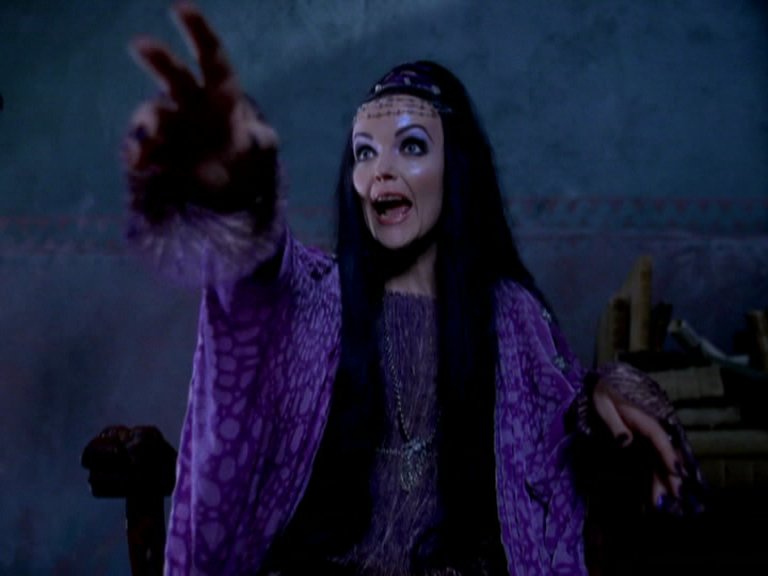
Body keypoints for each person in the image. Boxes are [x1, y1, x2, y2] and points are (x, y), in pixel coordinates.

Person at [122, 3, 703, 575]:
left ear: (457, 167)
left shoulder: (511, 317)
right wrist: (239, 190)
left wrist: (605, 395)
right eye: (365, 152)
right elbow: (254, 279)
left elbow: (557, 437)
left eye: (412, 146)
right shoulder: (316, 298)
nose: (381, 170)